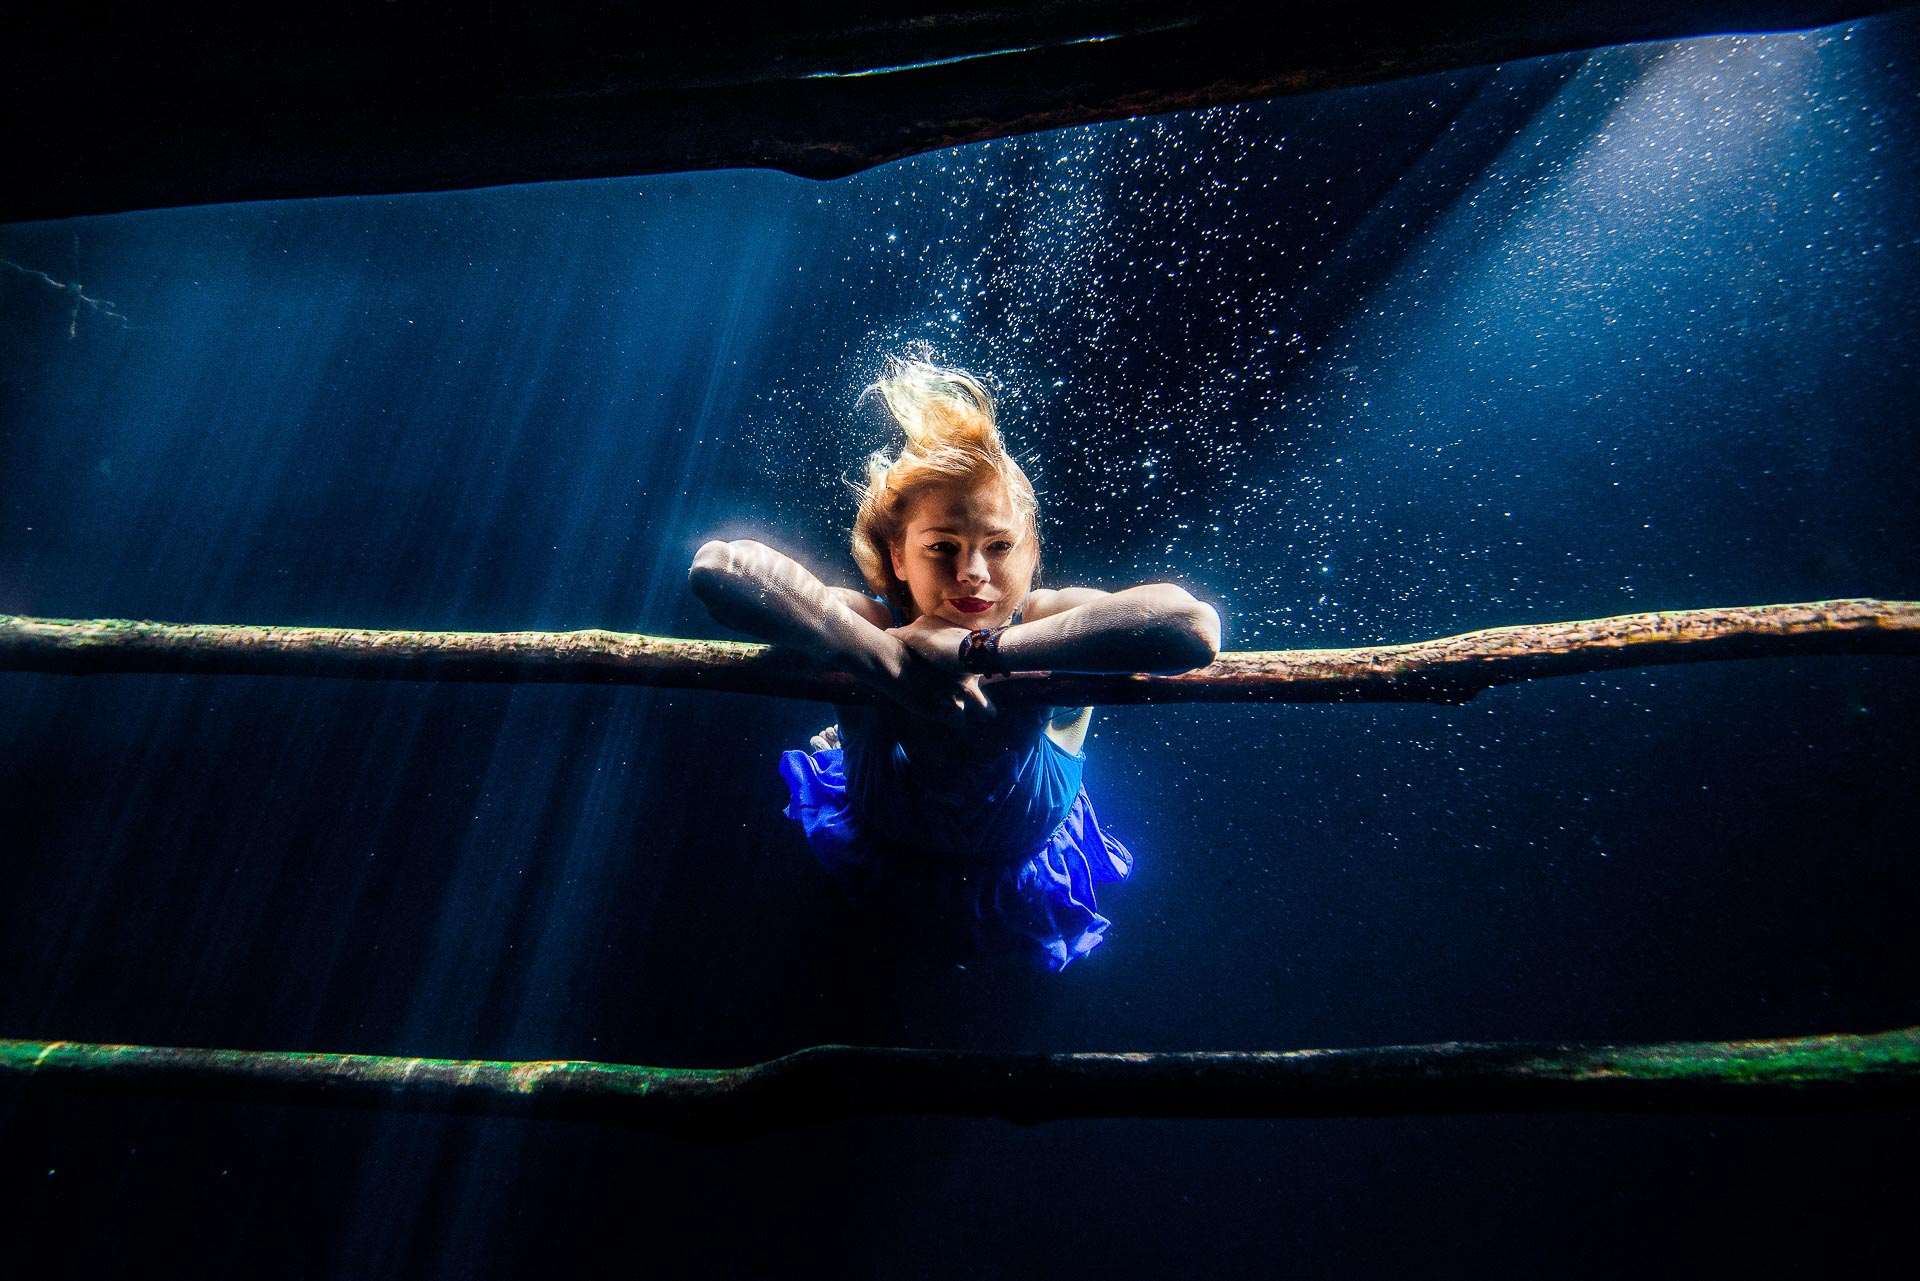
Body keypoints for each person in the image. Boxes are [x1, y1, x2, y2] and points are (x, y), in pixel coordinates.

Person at [689, 358, 1220, 970]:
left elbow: (1191, 627)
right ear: (900, 554)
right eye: (942, 547)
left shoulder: (1048, 617)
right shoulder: (875, 619)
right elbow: (719, 569)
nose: (973, 572)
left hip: (1024, 862)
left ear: (1030, 549)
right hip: (882, 845)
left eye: (1000, 547)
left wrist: (980, 651)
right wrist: (891, 662)